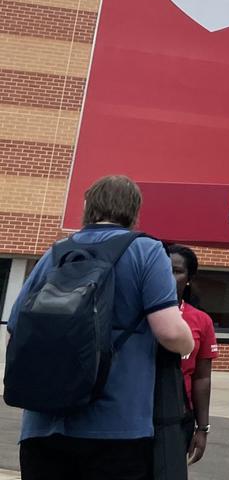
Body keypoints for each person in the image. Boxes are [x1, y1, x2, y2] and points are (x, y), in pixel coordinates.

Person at [7, 175, 195, 479]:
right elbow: (170, 332)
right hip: (117, 427)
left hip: (43, 427)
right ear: (134, 211)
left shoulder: (56, 253)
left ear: (88, 207)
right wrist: (188, 345)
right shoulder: (146, 251)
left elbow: (15, 330)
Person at [170, 244, 216, 465]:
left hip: (179, 418)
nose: (169, 277)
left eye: (177, 271)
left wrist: (202, 428)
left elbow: (202, 377)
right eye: (164, 270)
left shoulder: (201, 320)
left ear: (188, 278)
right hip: (136, 416)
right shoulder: (137, 313)